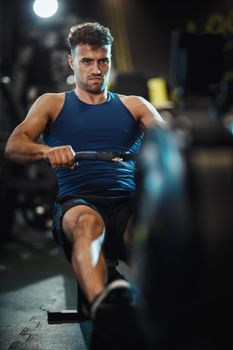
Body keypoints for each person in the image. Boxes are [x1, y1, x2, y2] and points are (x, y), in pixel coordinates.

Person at [4, 22, 165, 319]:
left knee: (147, 233)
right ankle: (103, 310)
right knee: (86, 224)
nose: (96, 69)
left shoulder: (135, 106)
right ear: (72, 61)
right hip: (77, 202)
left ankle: (153, 310)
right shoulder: (52, 103)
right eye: (87, 61)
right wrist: (47, 151)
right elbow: (14, 145)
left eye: (103, 60)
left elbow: (170, 146)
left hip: (126, 203)